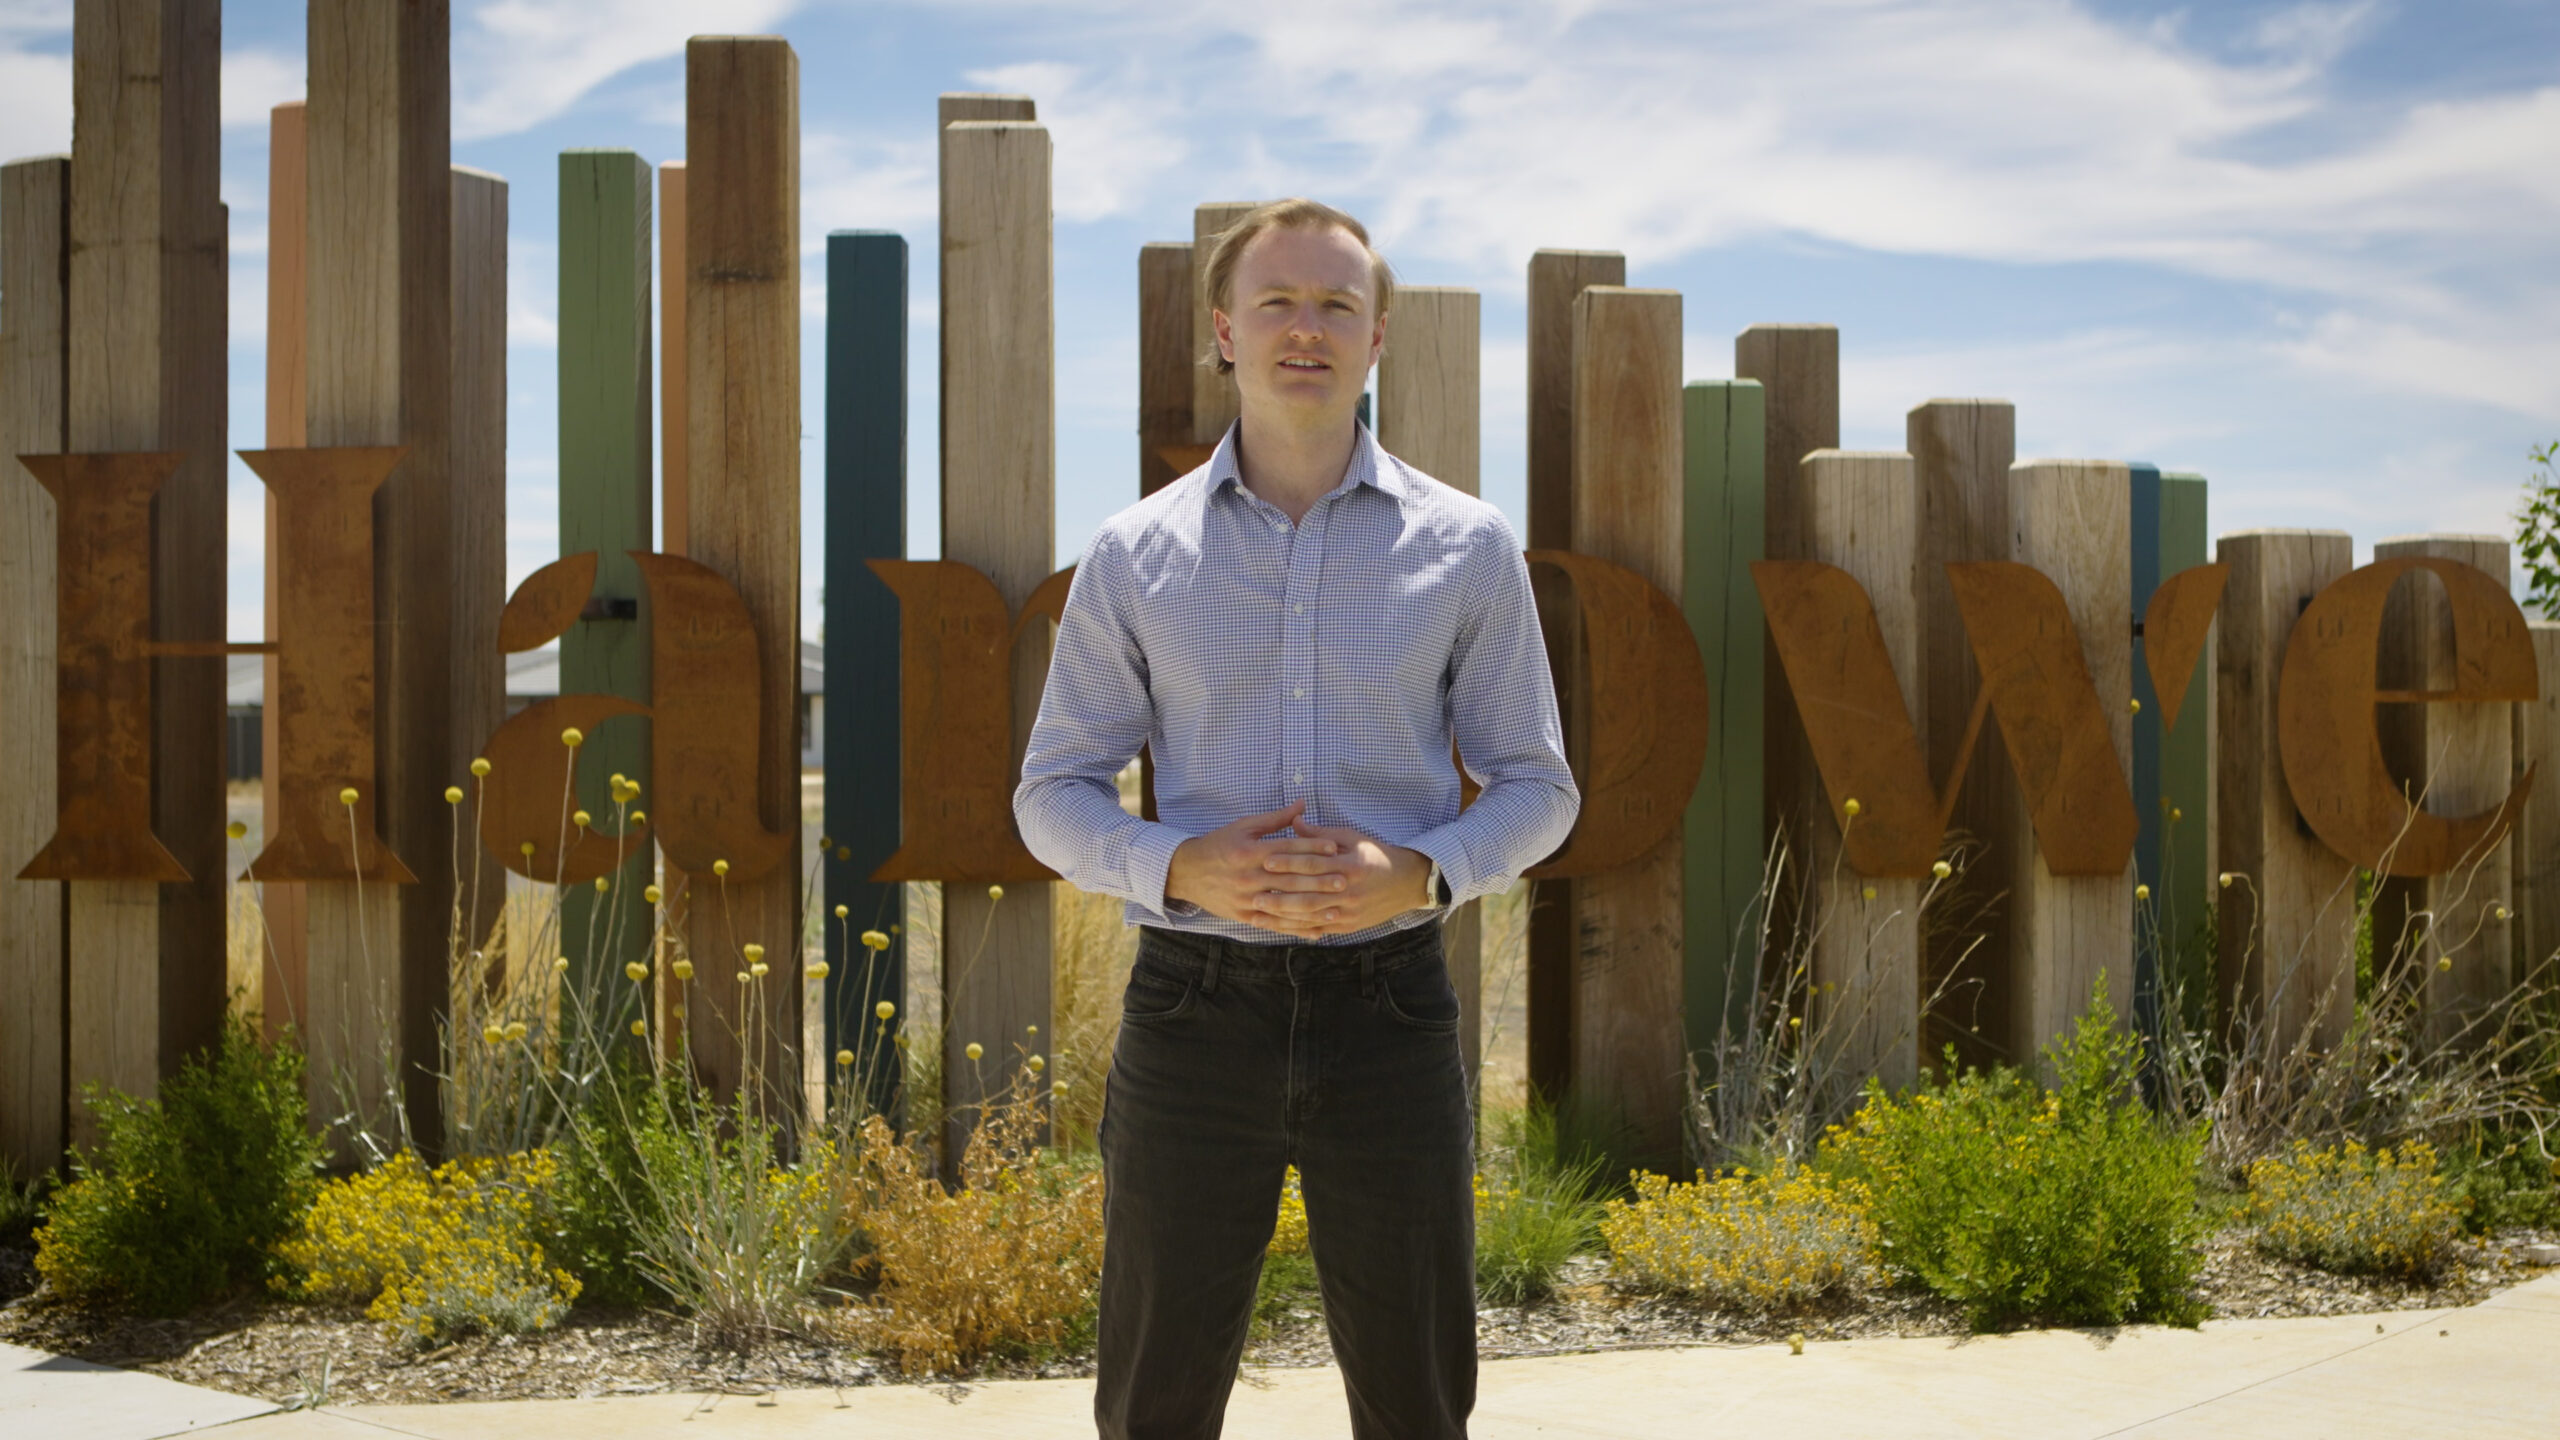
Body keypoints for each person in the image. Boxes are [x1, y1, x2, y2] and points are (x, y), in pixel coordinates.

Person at [1015, 196, 1579, 1440]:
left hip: (1391, 1012)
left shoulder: (1468, 547)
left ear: (1378, 337)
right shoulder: (1134, 554)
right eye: (1277, 302)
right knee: (1155, 1401)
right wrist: (1175, 866)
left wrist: (1424, 873)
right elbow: (1050, 795)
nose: (1305, 330)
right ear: (1224, 331)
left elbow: (1539, 786)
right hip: (1190, 1014)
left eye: (1337, 305)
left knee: (1418, 1400)